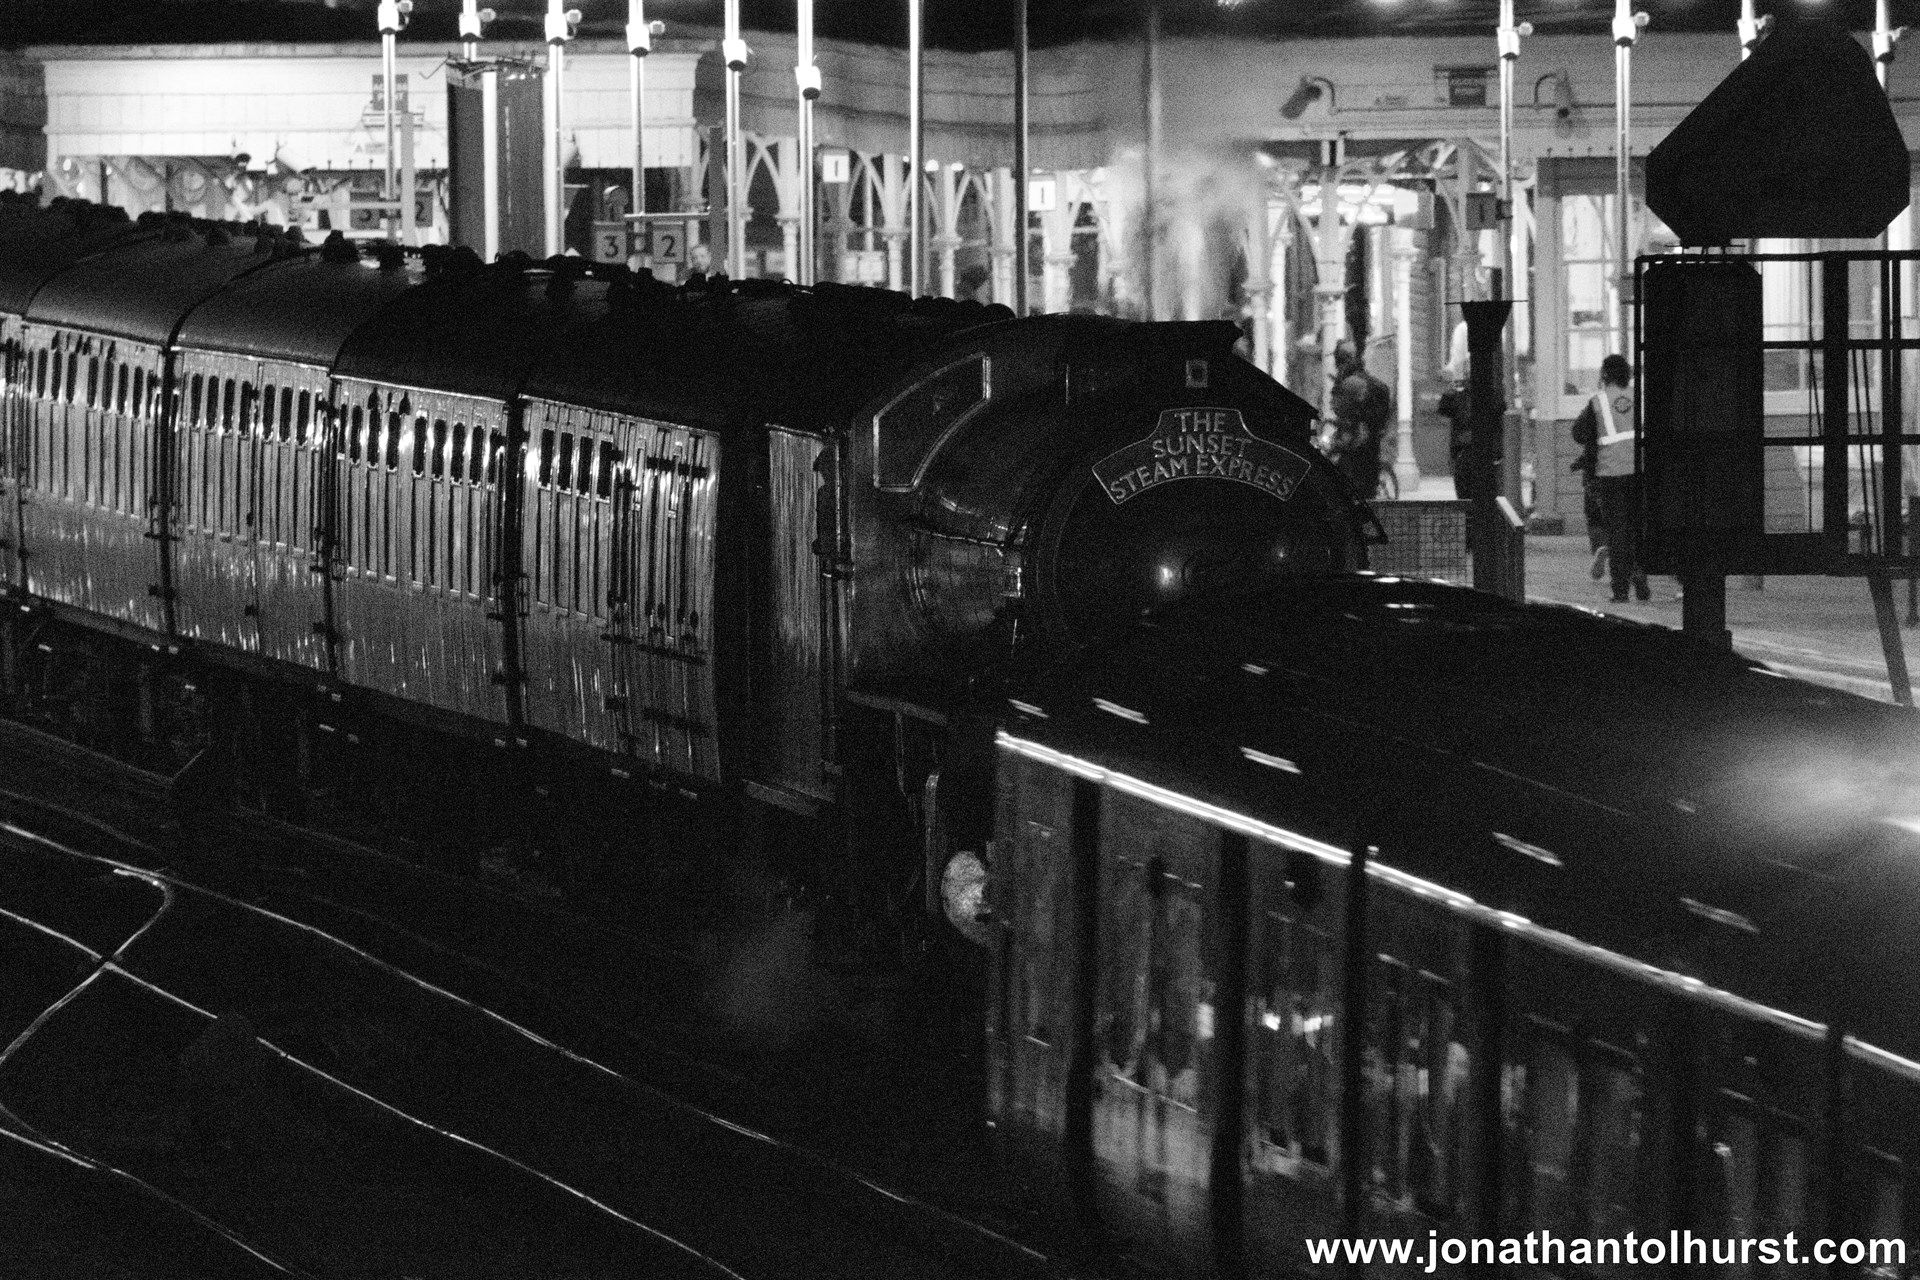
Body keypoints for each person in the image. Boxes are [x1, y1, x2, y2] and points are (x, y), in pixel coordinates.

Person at [1570, 354, 1647, 603]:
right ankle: (1641, 580)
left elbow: (1579, 433)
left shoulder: (1598, 402)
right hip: (1638, 472)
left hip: (1610, 474)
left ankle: (1620, 589)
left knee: (1617, 532)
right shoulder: (1639, 398)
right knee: (1636, 529)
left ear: (1604, 375)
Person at [1328, 339, 1392, 499]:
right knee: (1368, 483)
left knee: (1350, 478)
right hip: (1372, 440)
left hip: (1356, 442)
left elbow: (1338, 408)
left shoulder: (1350, 383)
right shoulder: (1370, 381)